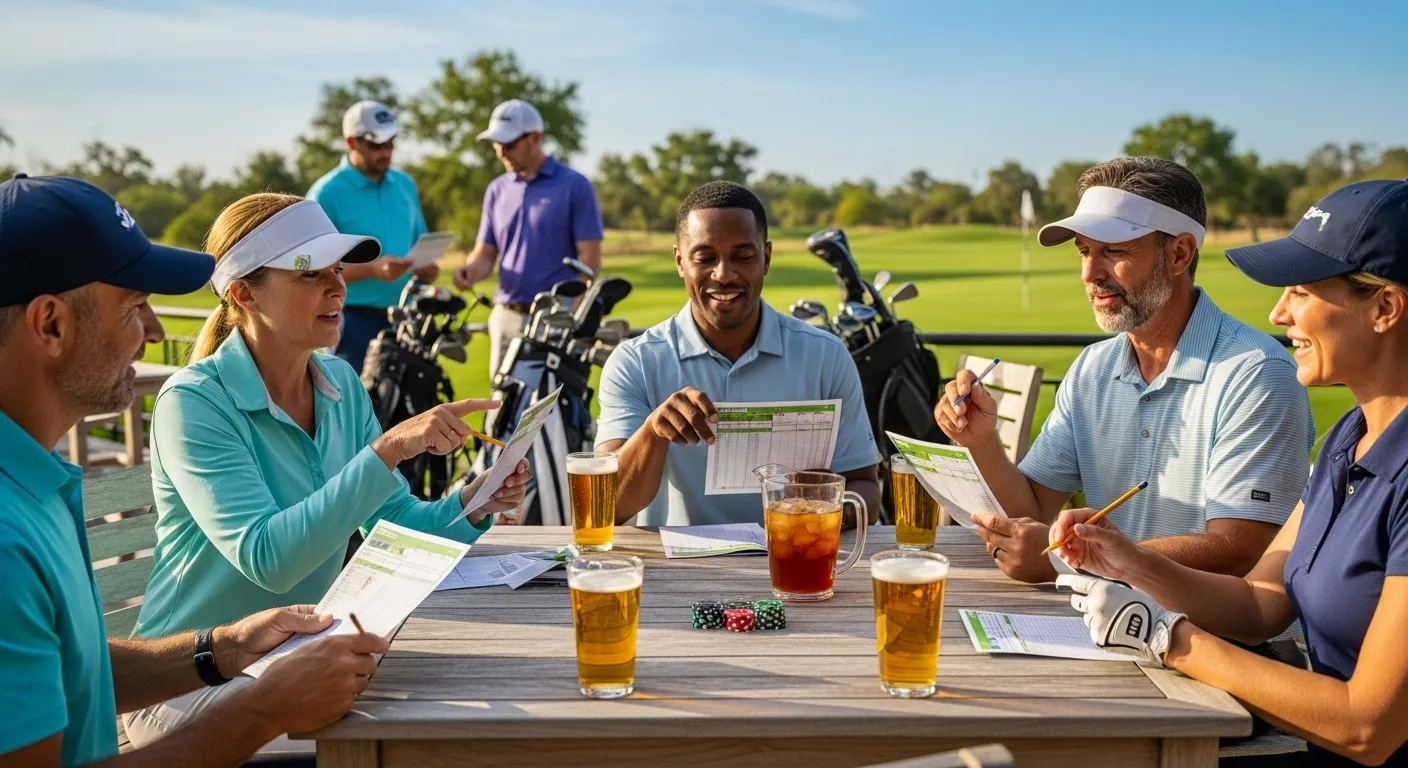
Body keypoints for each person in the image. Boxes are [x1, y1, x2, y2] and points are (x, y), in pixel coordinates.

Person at [0, 174, 389, 766]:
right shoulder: (7, 540)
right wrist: (264, 709)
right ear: (50, 324)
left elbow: (71, 664)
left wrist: (224, 647)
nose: (155, 331)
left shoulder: (38, 481)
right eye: (133, 306)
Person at [124, 192, 530, 750]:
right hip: (181, 689)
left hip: (296, 661)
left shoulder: (338, 386)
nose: (337, 287)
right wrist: (386, 451)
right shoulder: (193, 402)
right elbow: (271, 560)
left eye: (338, 269)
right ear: (242, 293)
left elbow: (394, 528)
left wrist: (473, 502)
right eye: (309, 272)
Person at [1053, 179, 1408, 767]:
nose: (1278, 313)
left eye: (1299, 291)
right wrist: (1128, 560)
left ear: (1385, 308)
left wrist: (1165, 637)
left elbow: (1366, 727)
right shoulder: (1351, 437)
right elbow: (1257, 604)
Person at [936, 157, 1313, 583]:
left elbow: (1242, 549)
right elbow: (1032, 511)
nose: (1090, 273)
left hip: (1219, 641)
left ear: (1179, 253)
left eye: (1114, 251)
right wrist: (981, 441)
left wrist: (1070, 559)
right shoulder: (1092, 369)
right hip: (1109, 624)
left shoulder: (1256, 374)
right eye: (1084, 251)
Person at [595, 180, 881, 525]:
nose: (724, 274)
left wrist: (816, 504)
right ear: (679, 262)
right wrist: (654, 432)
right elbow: (605, 508)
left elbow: (866, 491)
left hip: (794, 564)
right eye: (705, 258)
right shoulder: (635, 362)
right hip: (676, 575)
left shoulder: (826, 356)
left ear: (767, 257)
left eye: (743, 256)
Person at [451, 99, 605, 377]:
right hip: (506, 315)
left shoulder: (575, 185)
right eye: (496, 144)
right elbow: (486, 254)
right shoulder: (497, 189)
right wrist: (469, 272)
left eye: (508, 144)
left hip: (555, 318)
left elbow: (590, 258)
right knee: (501, 411)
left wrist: (574, 313)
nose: (500, 153)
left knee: (554, 413)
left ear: (535, 137)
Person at [307, 100, 437, 375]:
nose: (386, 151)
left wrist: (426, 268)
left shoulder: (404, 184)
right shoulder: (326, 194)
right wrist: (373, 269)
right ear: (352, 143)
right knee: (351, 412)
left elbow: (418, 241)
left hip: (405, 318)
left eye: (390, 143)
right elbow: (312, 267)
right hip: (349, 319)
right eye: (376, 145)